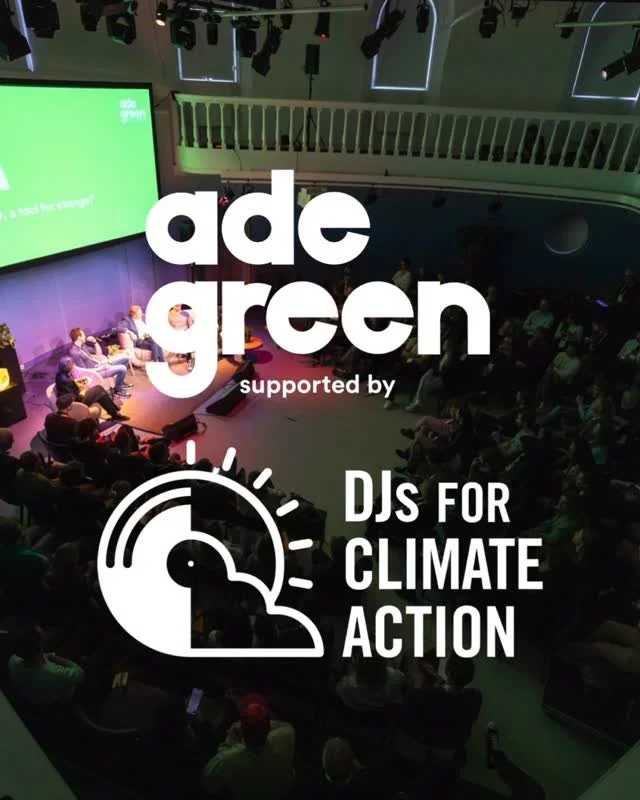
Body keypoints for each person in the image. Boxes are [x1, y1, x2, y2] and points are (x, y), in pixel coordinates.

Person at [202, 694, 295, 799]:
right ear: (269, 726)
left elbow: (208, 781)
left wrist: (230, 739)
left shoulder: (224, 762)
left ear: (241, 731)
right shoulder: (288, 733)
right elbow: (281, 725)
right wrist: (259, 721)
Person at [8, 624, 85, 707]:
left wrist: (46, 656)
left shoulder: (13, 660)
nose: (45, 634)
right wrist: (56, 658)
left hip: (34, 695)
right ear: (40, 644)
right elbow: (80, 674)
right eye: (43, 635)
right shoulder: (55, 673)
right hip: (61, 699)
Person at [54, 357, 128, 422]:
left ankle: (114, 413)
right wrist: (83, 389)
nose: (74, 365)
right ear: (70, 367)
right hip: (75, 404)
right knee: (99, 389)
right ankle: (115, 414)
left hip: (72, 399)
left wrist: (79, 384)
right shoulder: (67, 381)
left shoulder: (60, 374)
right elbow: (75, 397)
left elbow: (71, 388)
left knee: (100, 392)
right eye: (73, 364)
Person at [68, 328, 132, 398]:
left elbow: (99, 353)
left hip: (99, 366)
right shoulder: (74, 352)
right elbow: (85, 372)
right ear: (79, 337)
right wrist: (101, 367)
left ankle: (120, 383)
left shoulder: (83, 346)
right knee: (122, 368)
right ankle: (118, 390)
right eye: (83, 335)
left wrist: (95, 342)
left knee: (125, 359)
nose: (85, 336)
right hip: (95, 373)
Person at [169, 303, 195, 371]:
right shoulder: (169, 315)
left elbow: (190, 325)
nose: (179, 307)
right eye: (177, 305)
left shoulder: (185, 313)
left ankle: (189, 363)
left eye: (180, 305)